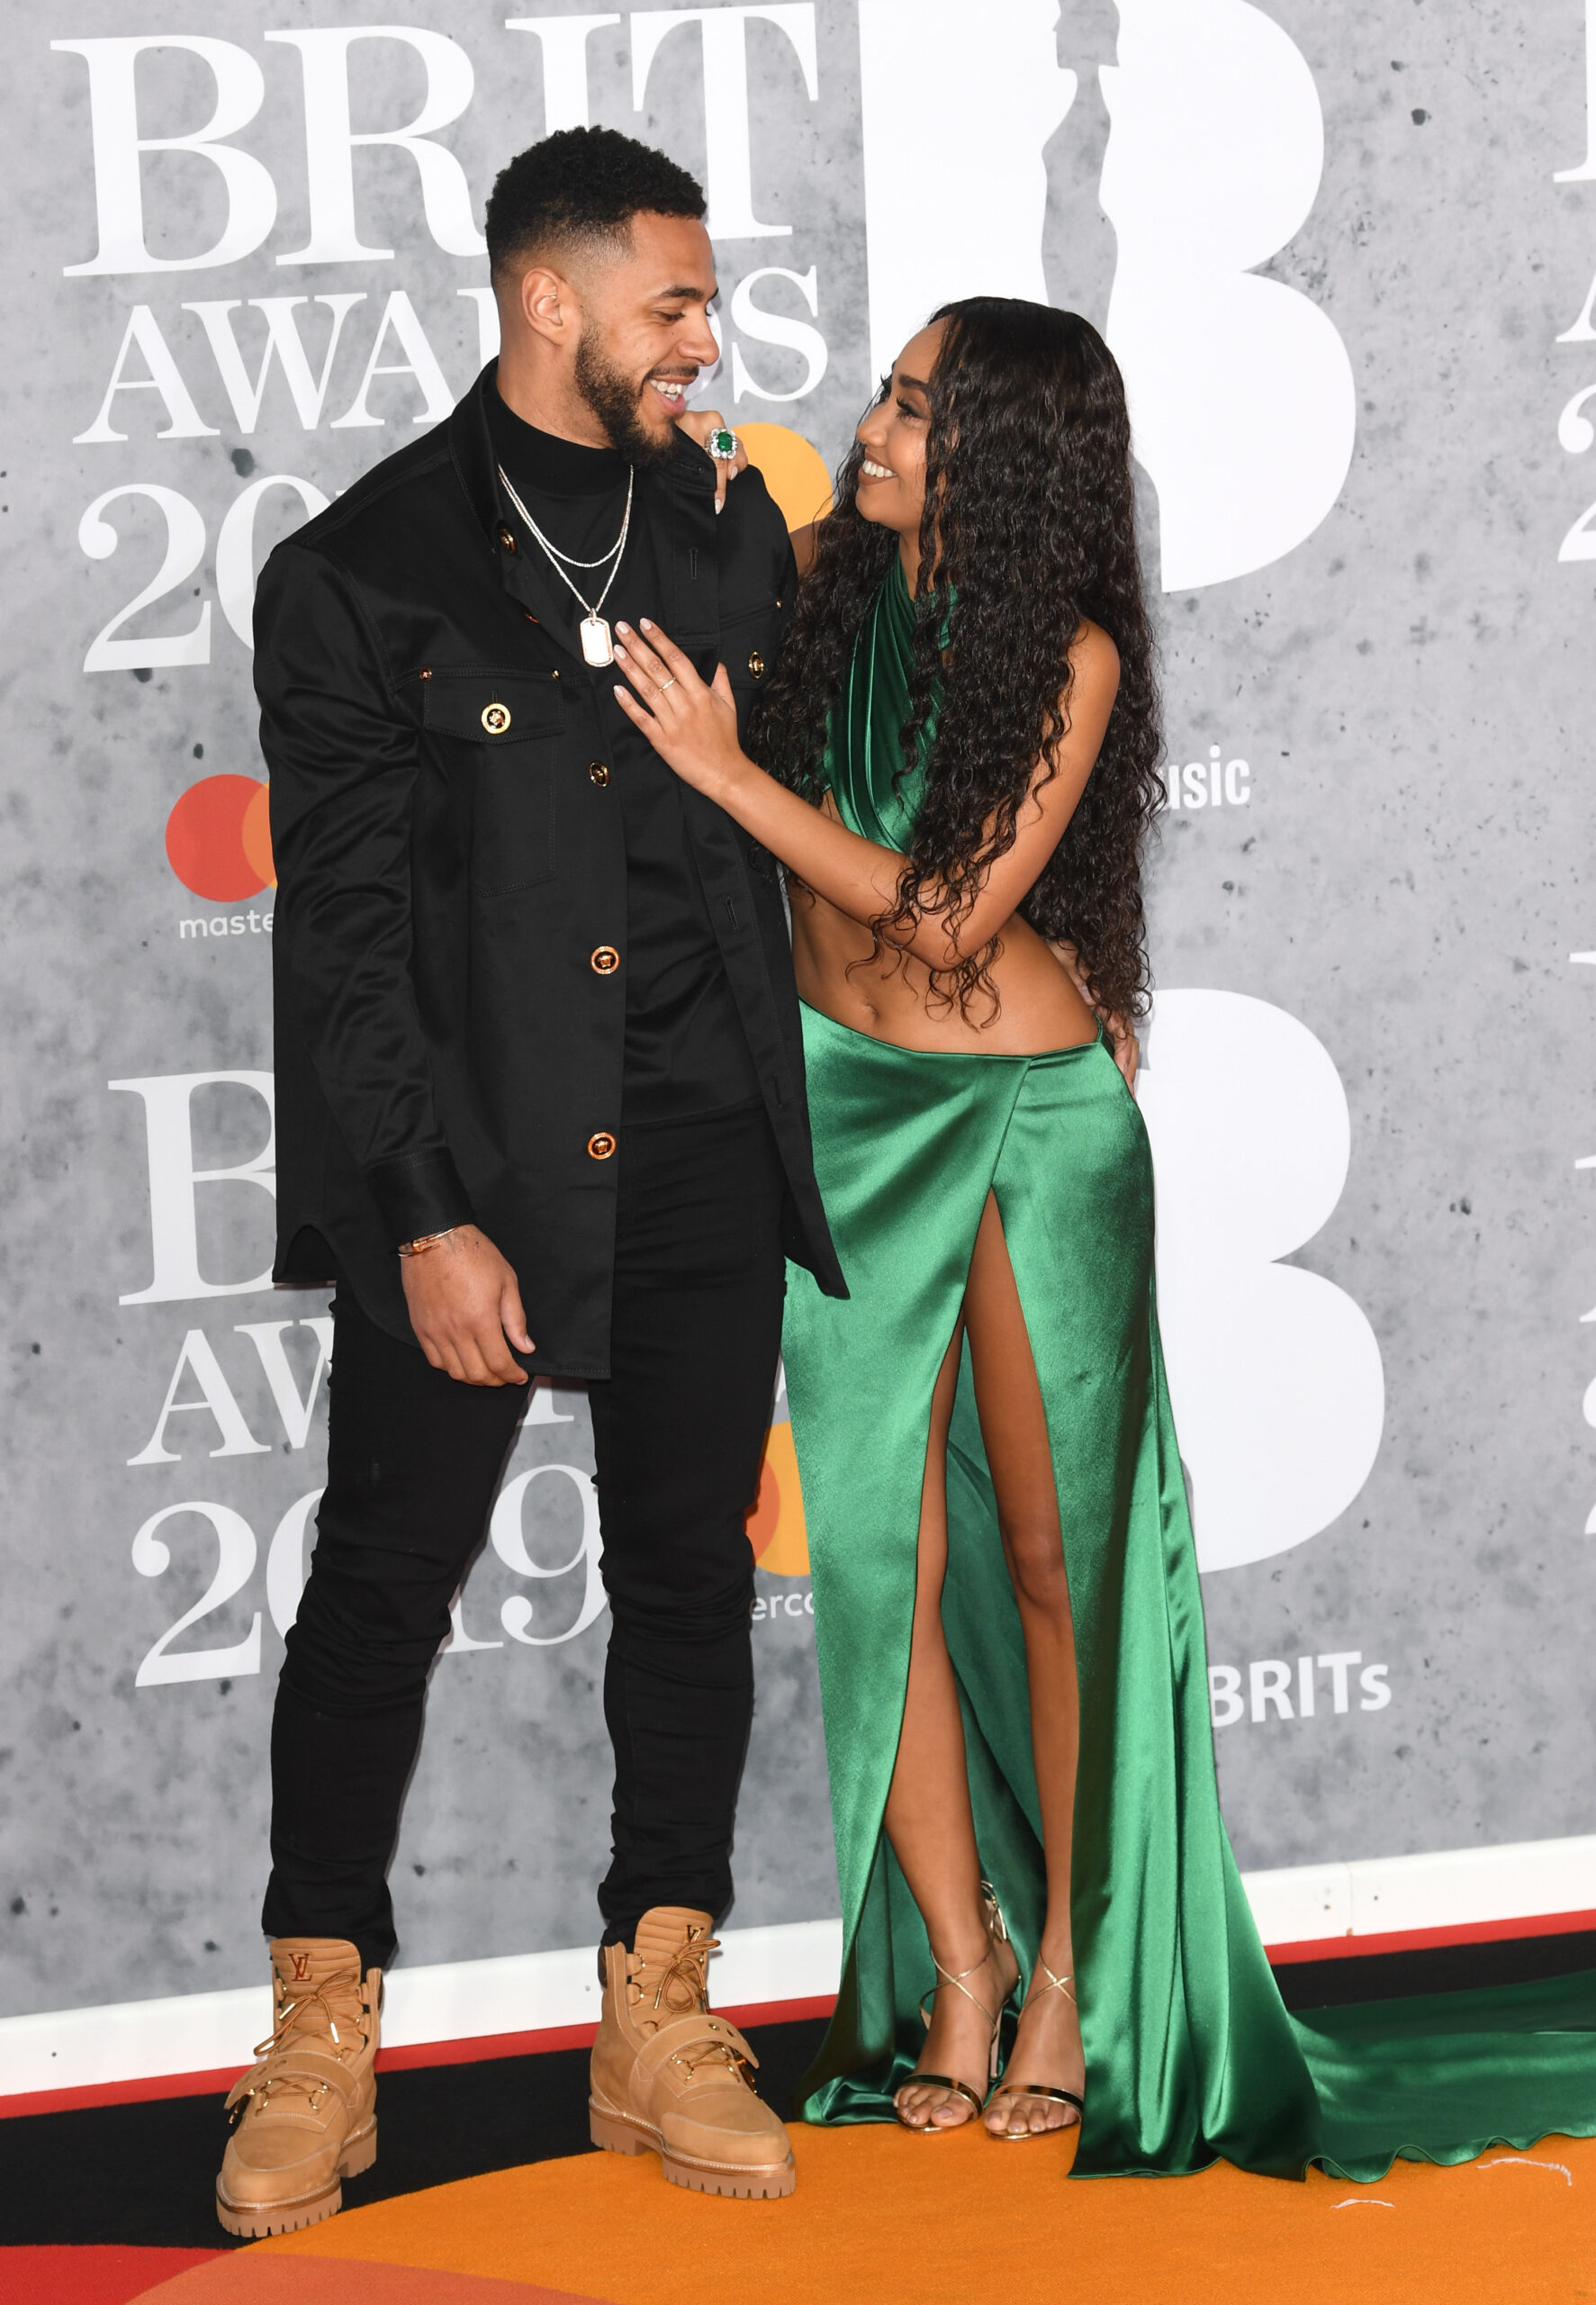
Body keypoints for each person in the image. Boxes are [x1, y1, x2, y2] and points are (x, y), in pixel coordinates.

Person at [607, 296, 1321, 2174]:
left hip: (1021, 1113)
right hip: (838, 1106)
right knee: (873, 1562)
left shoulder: (1065, 657)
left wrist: (729, 778)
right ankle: (954, 1965)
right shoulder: (815, 578)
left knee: (1043, 1553)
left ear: (1000, 455)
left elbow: (940, 914)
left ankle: (1074, 1981)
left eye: (918, 406)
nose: (873, 417)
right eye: (886, 389)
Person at [215, 126, 843, 2237]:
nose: (705, 337)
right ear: (547, 302)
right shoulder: (365, 572)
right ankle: (320, 2017)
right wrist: (420, 1211)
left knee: (684, 1575)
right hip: (471, 1171)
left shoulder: (722, 531)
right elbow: (348, 944)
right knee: (381, 1592)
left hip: (698, 1154)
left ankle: (654, 2006)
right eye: (674, 300)